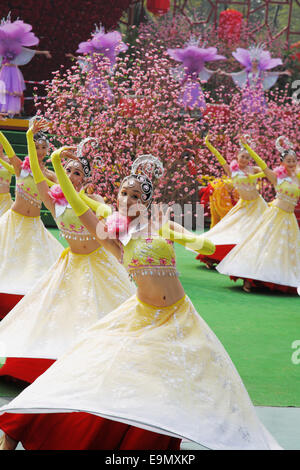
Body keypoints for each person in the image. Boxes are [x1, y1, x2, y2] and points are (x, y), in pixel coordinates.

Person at [0, 152, 281, 450]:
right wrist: (56, 160)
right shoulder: (110, 235)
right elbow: (75, 199)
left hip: (179, 317)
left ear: (146, 202)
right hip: (140, 316)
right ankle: (17, 429)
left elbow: (207, 245)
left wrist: (175, 231)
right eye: (124, 193)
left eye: (136, 195)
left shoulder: (158, 226)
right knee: (82, 369)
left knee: (206, 379)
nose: (128, 199)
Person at [0, 118, 136, 383]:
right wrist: (29, 137)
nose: (72, 176)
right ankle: (41, 364)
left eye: (78, 174)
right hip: (71, 262)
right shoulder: (53, 200)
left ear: (85, 180)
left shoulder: (94, 201)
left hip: (98, 264)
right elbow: (39, 175)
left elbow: (107, 216)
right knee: (58, 314)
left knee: (96, 315)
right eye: (69, 171)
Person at [217, 135, 300, 293]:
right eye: (288, 161)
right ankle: (250, 279)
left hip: (289, 218)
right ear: (282, 163)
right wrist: (249, 149)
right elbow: (262, 165)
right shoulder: (276, 177)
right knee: (262, 245)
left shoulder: (298, 178)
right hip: (275, 215)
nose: (291, 163)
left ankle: (281, 279)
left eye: (293, 160)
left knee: (286, 250)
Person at [0, 124, 63, 316]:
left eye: (44, 147)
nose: (41, 151)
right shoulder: (20, 168)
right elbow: (8, 148)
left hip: (34, 225)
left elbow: (66, 189)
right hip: (14, 220)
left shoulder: (50, 175)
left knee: (34, 266)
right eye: (37, 147)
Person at [197, 133, 267, 271]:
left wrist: (254, 175)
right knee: (229, 230)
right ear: (237, 157)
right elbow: (220, 158)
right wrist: (209, 144)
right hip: (244, 205)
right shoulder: (232, 171)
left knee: (261, 230)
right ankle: (211, 256)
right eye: (243, 157)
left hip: (258, 204)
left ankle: (257, 261)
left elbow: (267, 171)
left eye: (247, 157)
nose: (245, 160)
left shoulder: (254, 169)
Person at [0, 13, 51, 116]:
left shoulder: (16, 46)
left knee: (12, 90)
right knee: (4, 89)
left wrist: (43, 52)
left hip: (12, 70)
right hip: (5, 70)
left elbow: (28, 51)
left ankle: (10, 113)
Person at [220, 44, 290, 114]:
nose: (254, 63)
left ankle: (258, 119)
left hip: (257, 93)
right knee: (248, 108)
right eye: (253, 61)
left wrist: (283, 73)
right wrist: (225, 73)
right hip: (248, 92)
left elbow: (270, 74)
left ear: (258, 62)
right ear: (251, 61)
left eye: (256, 61)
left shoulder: (260, 71)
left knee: (258, 108)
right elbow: (237, 74)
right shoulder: (247, 70)